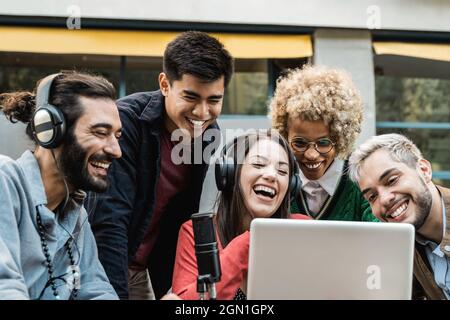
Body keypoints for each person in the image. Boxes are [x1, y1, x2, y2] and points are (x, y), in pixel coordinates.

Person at [87, 31, 234, 299]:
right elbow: (110, 220)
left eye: (214, 100)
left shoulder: (208, 134)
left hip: (144, 269)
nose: (202, 113)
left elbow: (181, 216)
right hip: (100, 263)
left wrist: (176, 287)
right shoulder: (125, 123)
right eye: (191, 97)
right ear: (165, 84)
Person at [0, 72, 121, 299]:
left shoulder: (76, 214)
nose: (116, 150)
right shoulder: (4, 179)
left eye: (117, 135)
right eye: (101, 133)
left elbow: (97, 291)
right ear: (51, 131)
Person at [172, 130, 310, 300]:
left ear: (291, 187)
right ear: (230, 174)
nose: (272, 176)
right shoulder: (197, 233)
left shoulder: (303, 229)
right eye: (259, 165)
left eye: (282, 172)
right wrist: (248, 243)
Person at [269, 65, 377, 222]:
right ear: (285, 135)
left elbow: (381, 233)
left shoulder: (361, 181)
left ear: (341, 139)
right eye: (299, 143)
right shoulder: (275, 179)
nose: (311, 154)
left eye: (324, 143)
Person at [348, 133, 450, 300]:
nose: (385, 199)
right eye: (372, 196)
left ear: (424, 170)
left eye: (392, 180)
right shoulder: (402, 247)